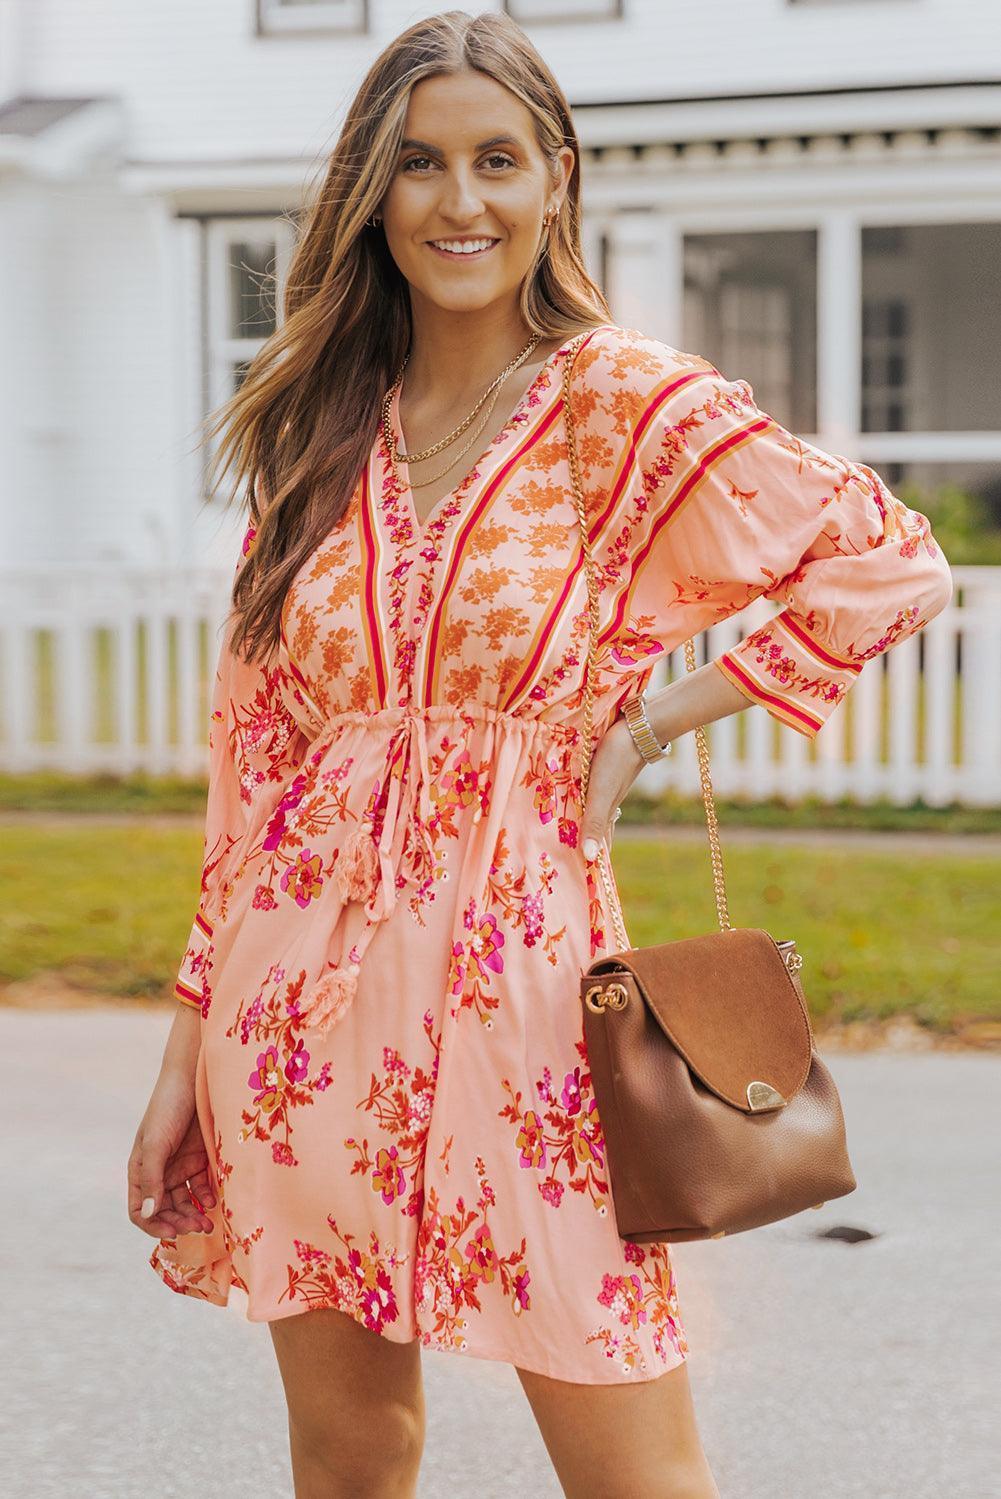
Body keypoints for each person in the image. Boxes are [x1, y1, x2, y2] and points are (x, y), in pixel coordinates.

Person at [127, 11, 953, 1497]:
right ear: (371, 196)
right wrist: (189, 1047)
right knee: (349, 1451)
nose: (461, 202)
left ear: (553, 179)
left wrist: (646, 725)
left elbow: (887, 565)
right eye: (421, 165)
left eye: (496, 161)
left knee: (634, 1460)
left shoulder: (617, 402)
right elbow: (252, 766)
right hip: (294, 1010)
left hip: (528, 1004)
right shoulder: (322, 436)